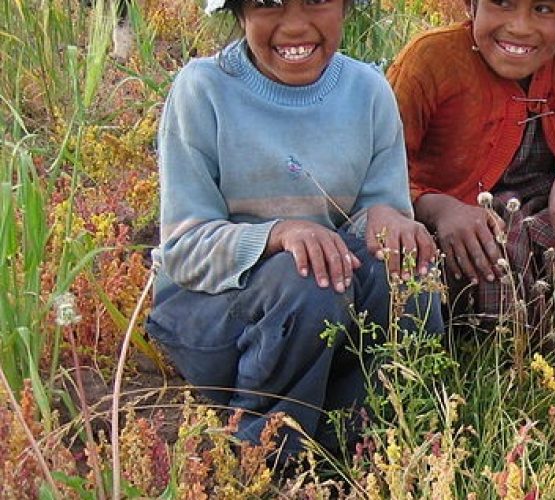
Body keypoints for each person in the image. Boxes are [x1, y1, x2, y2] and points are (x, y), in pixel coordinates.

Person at [145, 0, 443, 463]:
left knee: (406, 268)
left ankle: (362, 435)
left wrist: (386, 217)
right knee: (308, 280)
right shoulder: (203, 90)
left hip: (318, 311)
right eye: (268, 4)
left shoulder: (367, 91)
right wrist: (278, 234)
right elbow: (183, 250)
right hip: (215, 313)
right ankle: (264, 451)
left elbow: (378, 212)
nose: (296, 24)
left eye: (317, 1)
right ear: (239, 12)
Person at [386, 0, 555, 332]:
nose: (520, 26)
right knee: (425, 258)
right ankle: (477, 336)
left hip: (543, 220)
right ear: (471, 5)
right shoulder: (431, 59)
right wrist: (438, 209)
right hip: (462, 232)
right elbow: (380, 169)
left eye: (543, 9)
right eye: (503, 3)